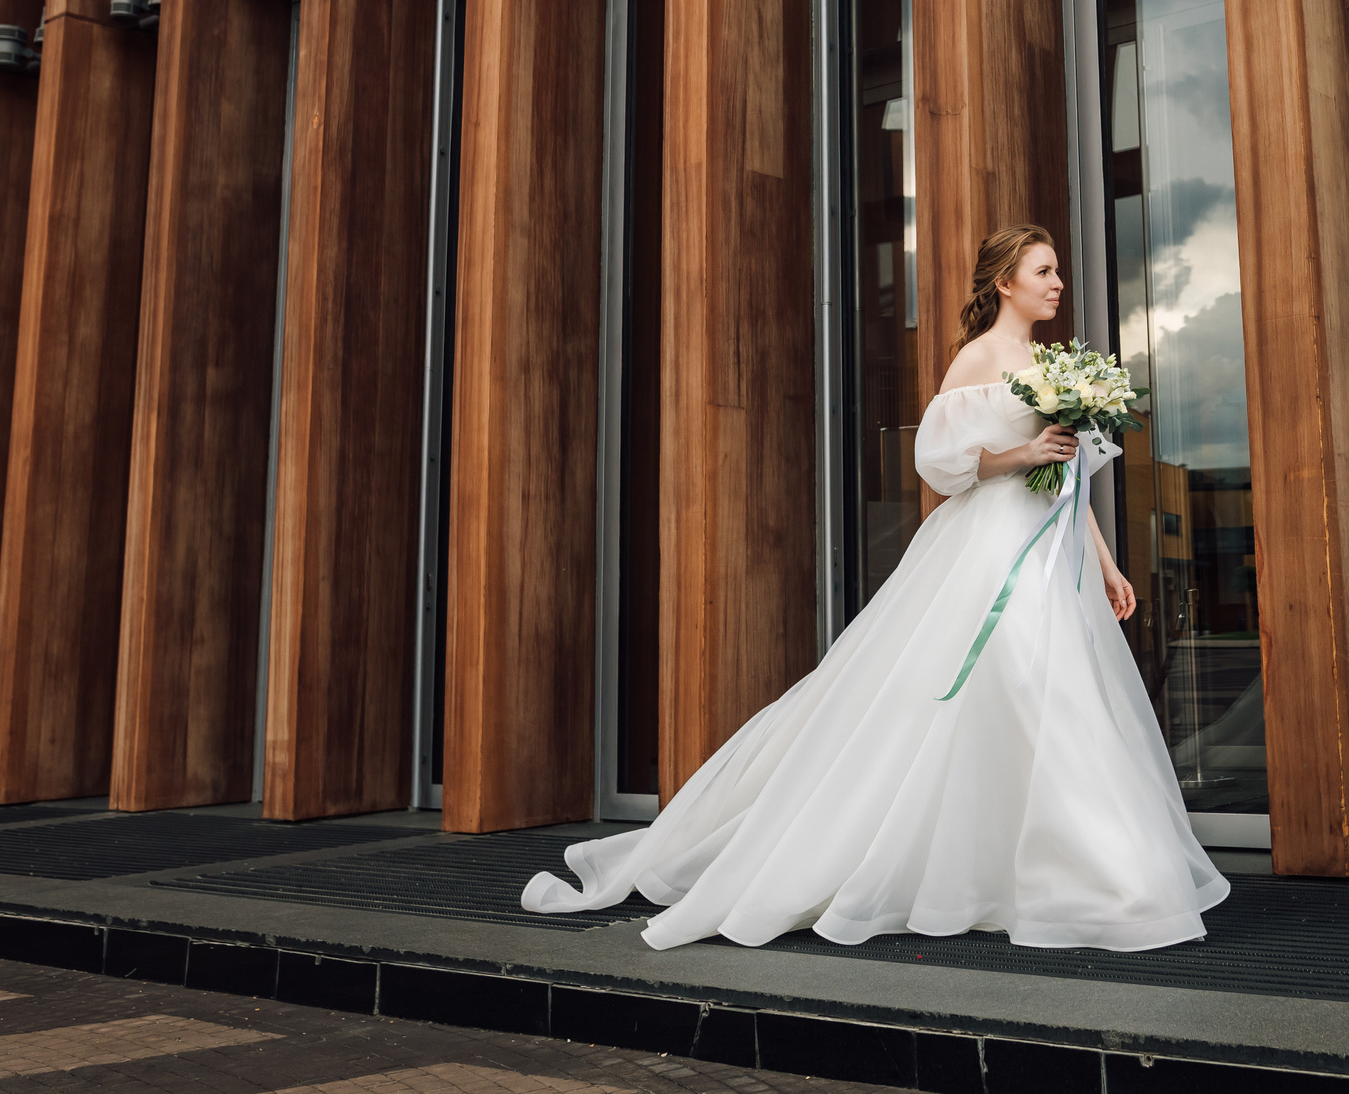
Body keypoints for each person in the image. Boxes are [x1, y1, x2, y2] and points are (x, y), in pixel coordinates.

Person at [523, 224, 1229, 950]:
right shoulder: (977, 359)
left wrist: (1107, 563)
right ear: (1005, 282)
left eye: (1057, 272)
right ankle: (1084, 872)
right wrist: (1022, 449)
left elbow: (1068, 478)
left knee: (1058, 698)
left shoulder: (1052, 362)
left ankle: (1077, 874)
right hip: (989, 554)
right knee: (1019, 684)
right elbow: (942, 462)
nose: (1056, 283)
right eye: (1043, 271)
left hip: (1051, 555)